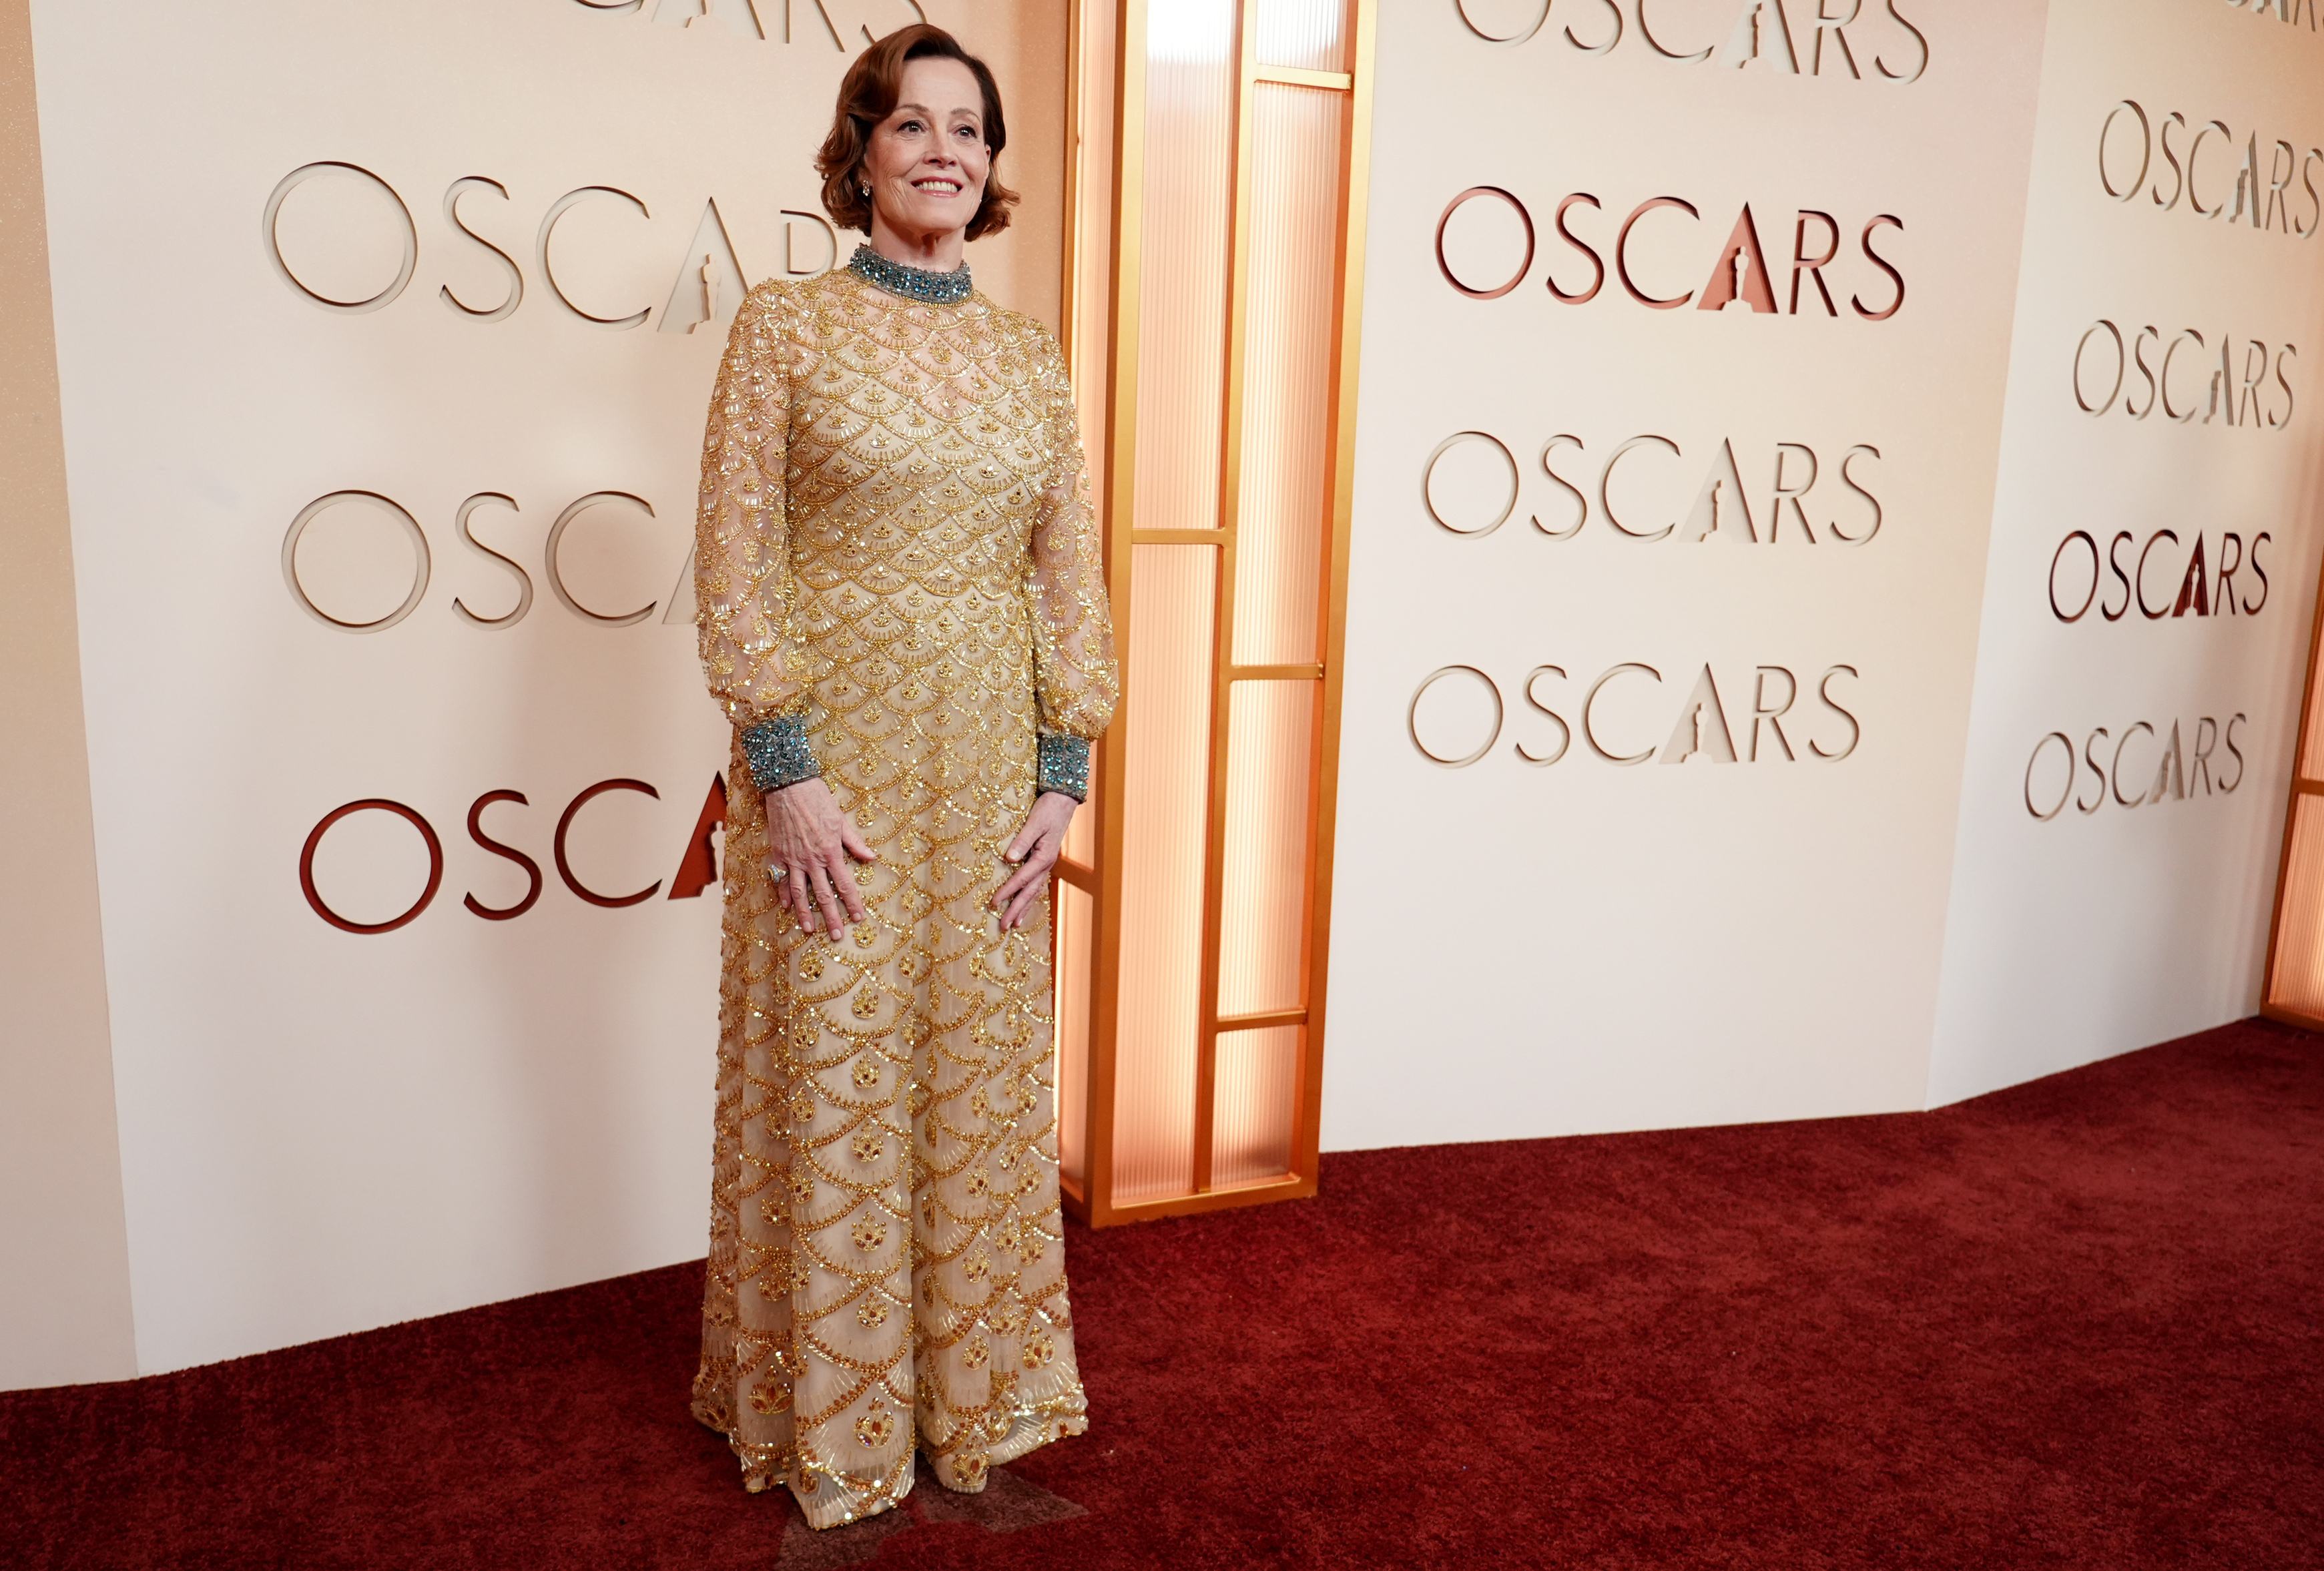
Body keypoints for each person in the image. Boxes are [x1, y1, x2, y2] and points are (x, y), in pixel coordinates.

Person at [685, 22, 1117, 1532]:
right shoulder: (785, 326)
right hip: (838, 773)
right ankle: (835, 1418)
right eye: (914, 123)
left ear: (992, 167)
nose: (946, 149)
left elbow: (1068, 571)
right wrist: (782, 767)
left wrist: (1065, 774)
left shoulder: (1027, 353)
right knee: (840, 1072)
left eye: (972, 129)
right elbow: (737, 559)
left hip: (992, 768)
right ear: (861, 148)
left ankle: (970, 1403)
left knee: (977, 1081)